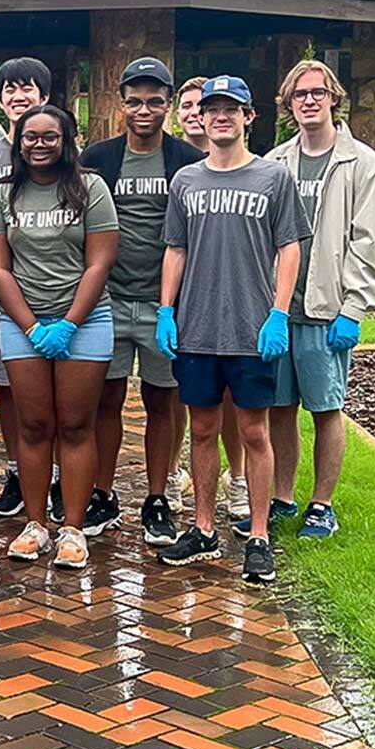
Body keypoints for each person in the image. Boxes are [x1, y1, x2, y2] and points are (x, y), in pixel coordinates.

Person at [155, 75, 307, 585]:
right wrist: (165, 309)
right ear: (200, 115)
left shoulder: (273, 178)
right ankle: (202, 529)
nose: (219, 116)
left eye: (230, 108)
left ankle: (259, 535)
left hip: (250, 327)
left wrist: (279, 312)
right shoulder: (186, 182)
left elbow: (289, 246)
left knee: (252, 430)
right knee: (200, 428)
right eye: (211, 108)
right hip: (196, 328)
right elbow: (175, 248)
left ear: (249, 117)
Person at [0, 105, 118, 570]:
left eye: (50, 137)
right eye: (30, 137)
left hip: (85, 322)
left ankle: (74, 529)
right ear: (18, 142)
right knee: (35, 426)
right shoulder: (1, 195)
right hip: (24, 324)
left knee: (77, 424)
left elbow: (99, 262)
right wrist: (34, 326)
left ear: (66, 141)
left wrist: (70, 324)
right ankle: (36, 524)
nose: (40, 145)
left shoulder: (90, 188)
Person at [262, 60, 375, 540]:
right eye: (300, 95)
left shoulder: (363, 164)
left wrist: (353, 308)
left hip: (327, 310)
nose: (309, 101)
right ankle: (282, 497)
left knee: (325, 408)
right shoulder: (275, 163)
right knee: (279, 407)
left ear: (334, 98)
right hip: (279, 308)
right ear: (288, 104)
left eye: (318, 92)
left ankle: (322, 504)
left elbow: (371, 242)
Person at [81, 58, 204, 547]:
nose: (144, 110)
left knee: (162, 401)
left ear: (168, 104)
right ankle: (103, 493)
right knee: (105, 401)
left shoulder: (187, 163)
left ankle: (157, 498)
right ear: (121, 103)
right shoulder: (99, 159)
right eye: (135, 101)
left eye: (155, 101)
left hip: (164, 305)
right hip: (107, 300)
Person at [0, 58, 54, 517]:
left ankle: (59, 475)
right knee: (7, 385)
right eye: (9, 89)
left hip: (57, 291)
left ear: (43, 96)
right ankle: (15, 472)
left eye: (27, 88)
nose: (18, 96)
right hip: (2, 293)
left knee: (59, 392)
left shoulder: (61, 150)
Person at [170, 74, 240, 517]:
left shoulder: (251, 168)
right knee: (183, 396)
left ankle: (239, 477)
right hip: (183, 300)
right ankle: (180, 473)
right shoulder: (176, 166)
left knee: (235, 400)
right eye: (191, 106)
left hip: (235, 302)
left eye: (206, 106)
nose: (198, 113)